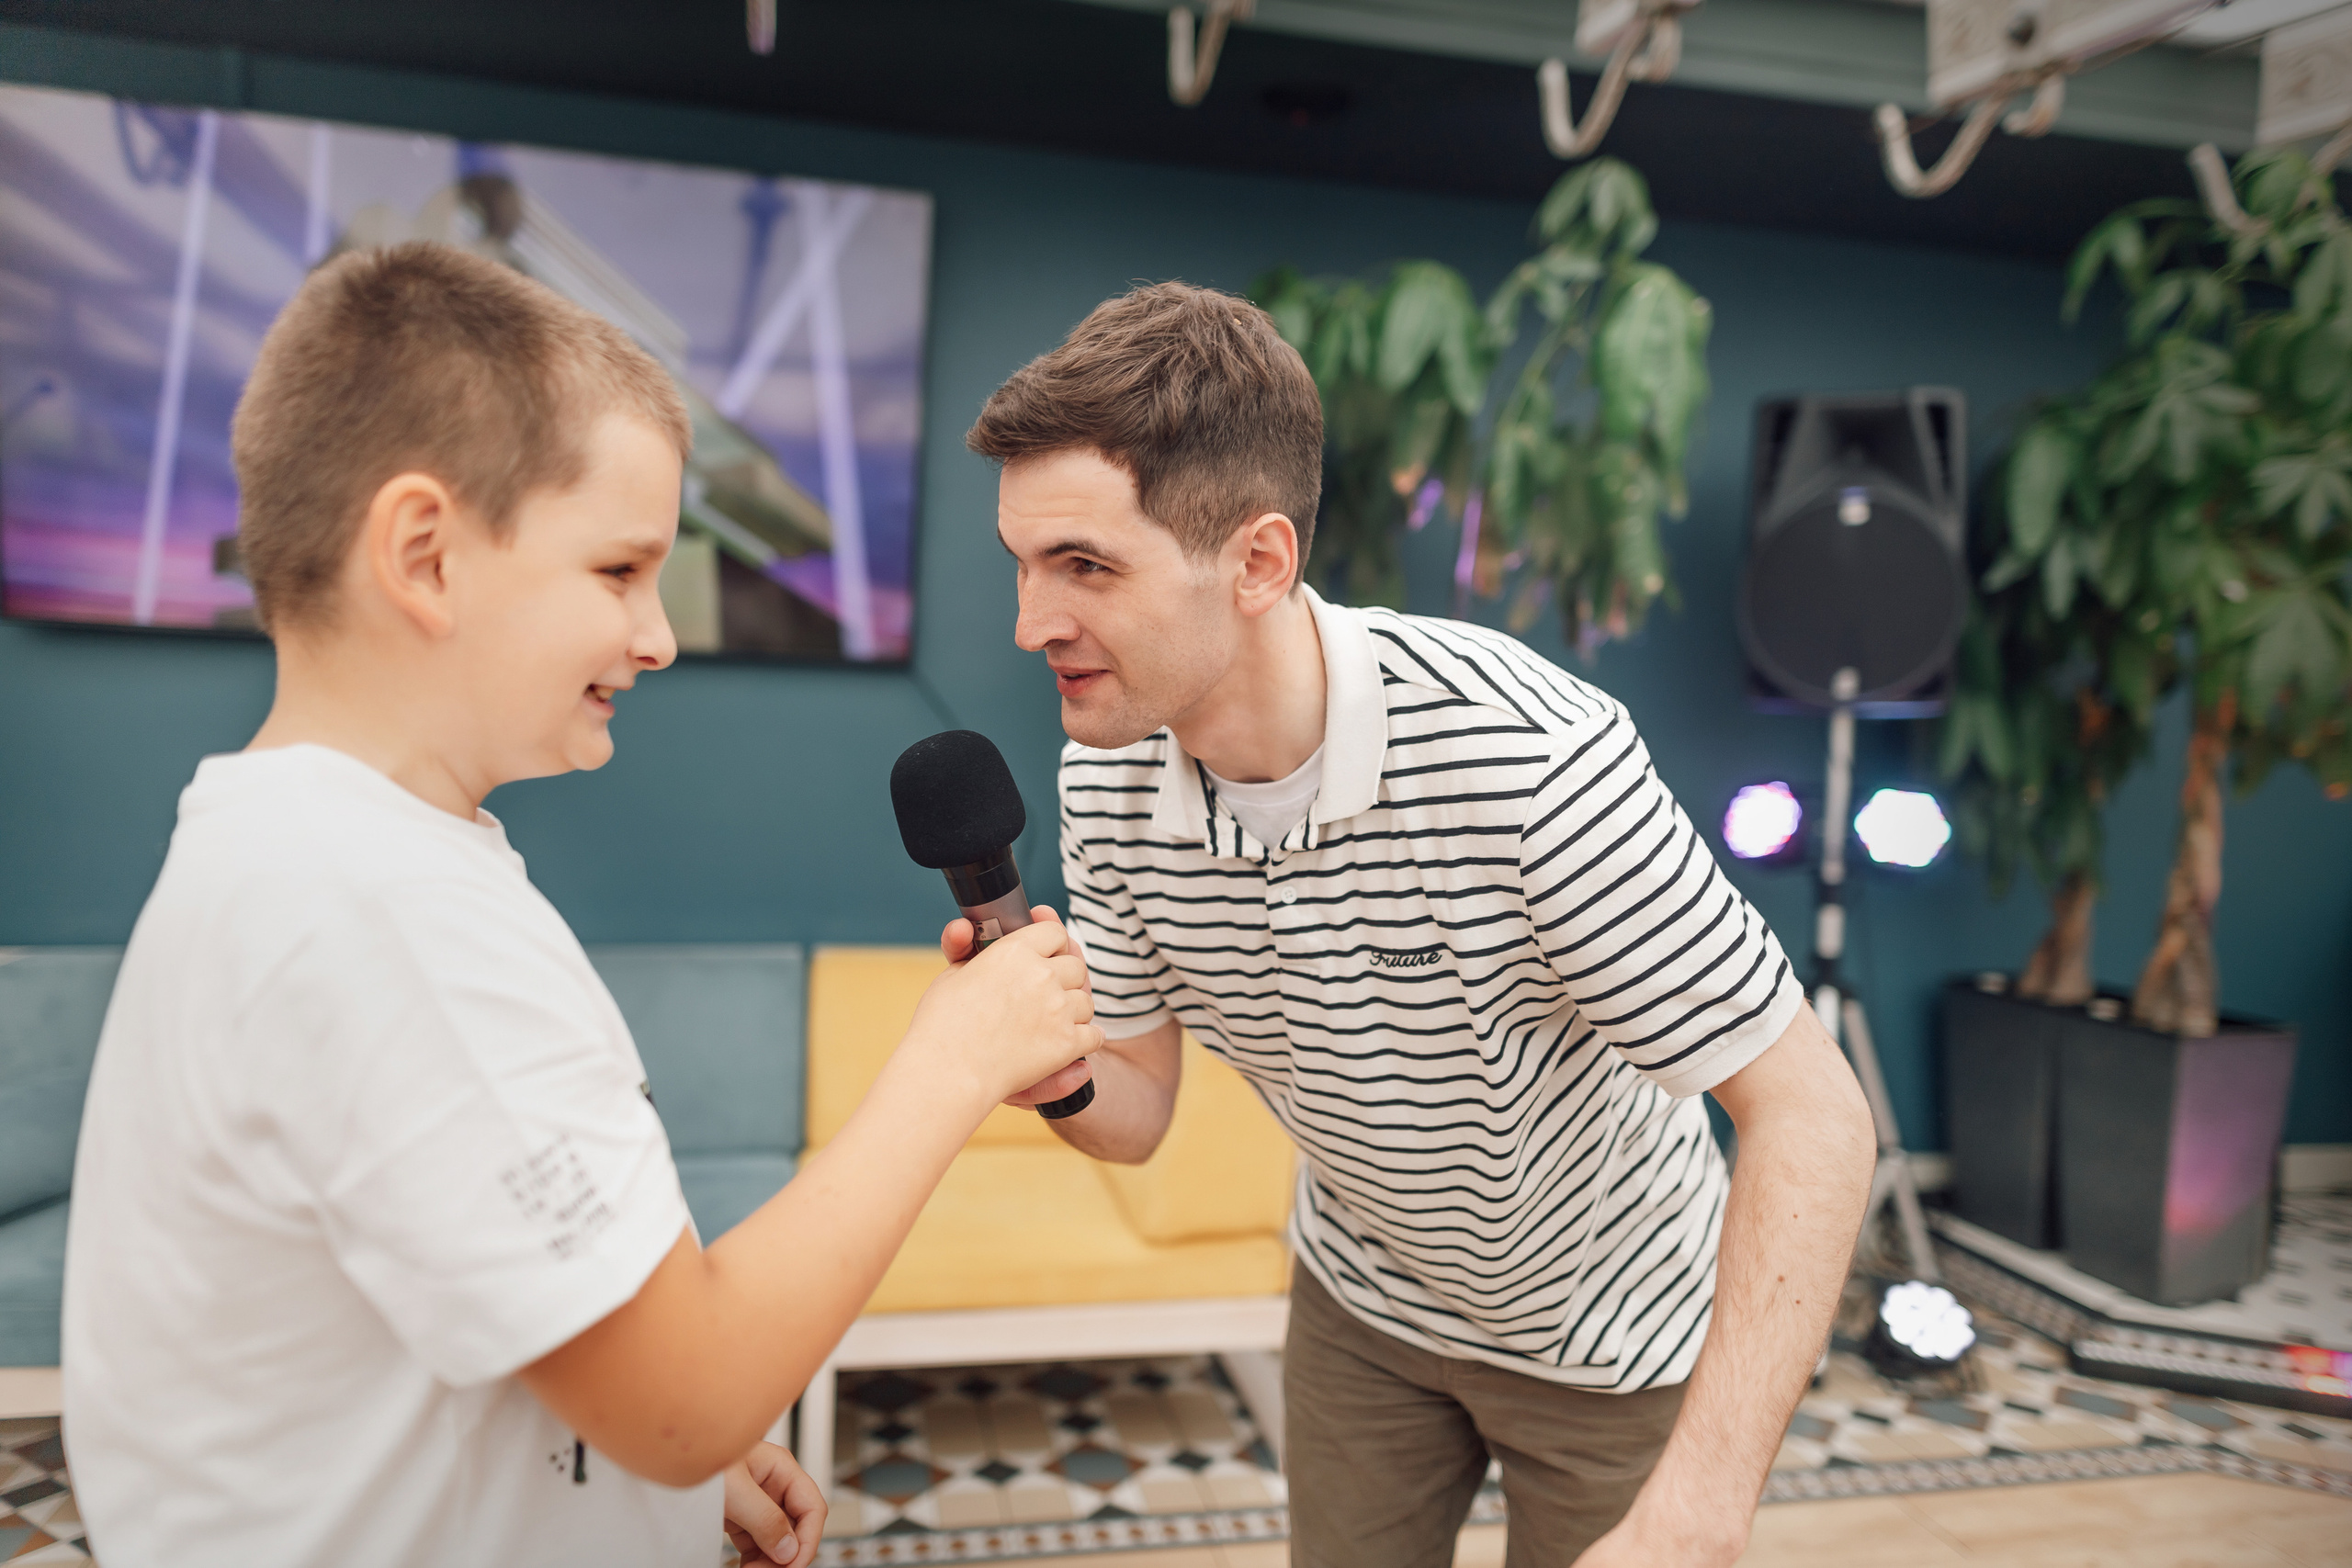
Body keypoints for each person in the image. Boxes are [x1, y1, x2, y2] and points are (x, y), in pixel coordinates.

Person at [61, 243, 1102, 1568]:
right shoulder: (379, 916)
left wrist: (636, 1477)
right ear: (425, 556)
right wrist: (953, 1061)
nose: (657, 636)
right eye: (618, 573)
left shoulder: (322, 855)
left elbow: (474, 1297)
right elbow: (685, 1393)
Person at [966, 282, 1878, 1567]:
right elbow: (1140, 1113)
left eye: (1086, 568)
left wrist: (1698, 1511)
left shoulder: (1530, 761)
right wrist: (1049, 1068)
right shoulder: (1106, 772)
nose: (1029, 624)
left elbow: (1816, 1115)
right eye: (1023, 562)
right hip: (1365, 1305)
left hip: (1609, 1331)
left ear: (1259, 563)